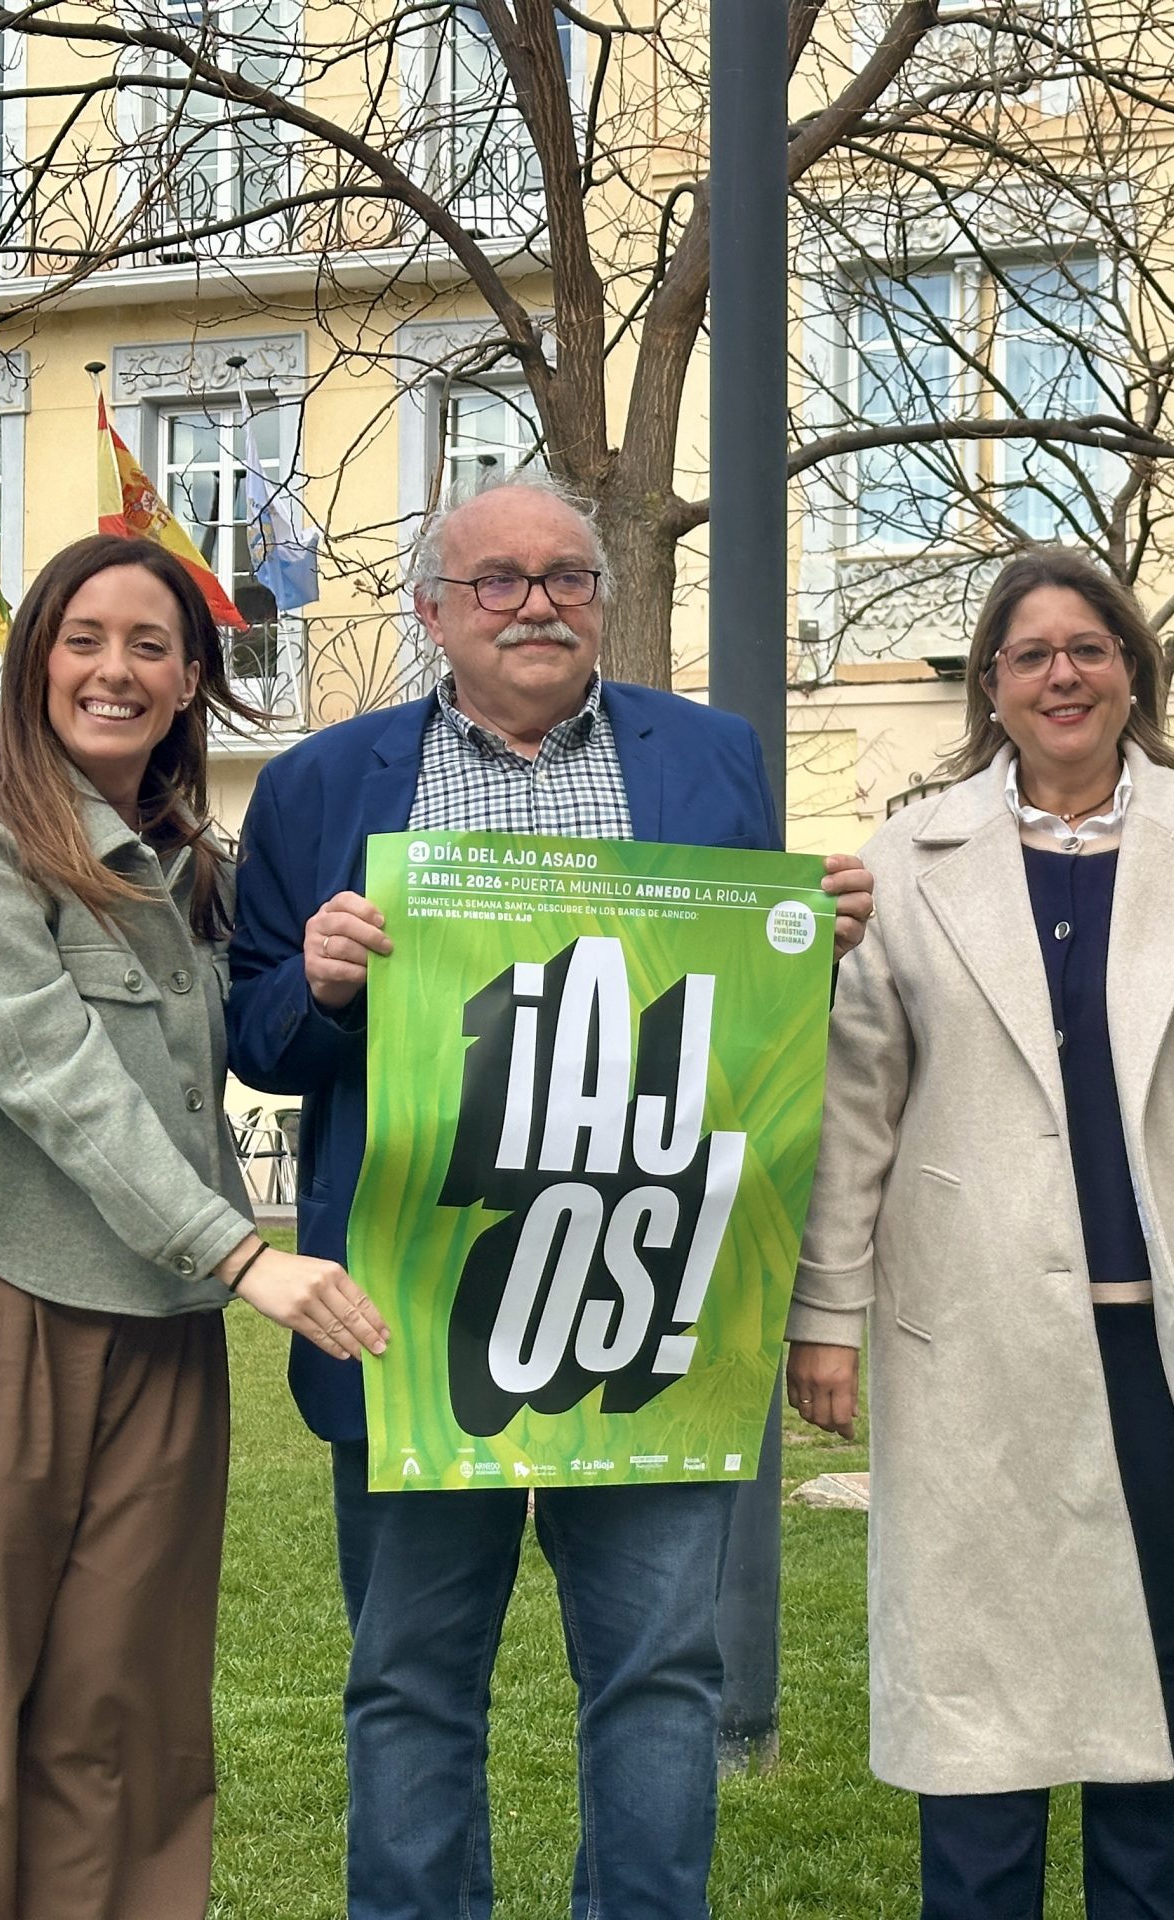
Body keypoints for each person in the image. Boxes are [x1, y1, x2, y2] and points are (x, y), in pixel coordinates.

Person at [226, 472, 874, 1920]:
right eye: (498, 581)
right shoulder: (317, 785)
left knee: (658, 1678)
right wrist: (317, 986)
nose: (536, 605)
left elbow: (745, 1025)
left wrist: (808, 946)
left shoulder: (710, 757)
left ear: (603, 598)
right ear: (431, 611)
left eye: (567, 577)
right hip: (412, 1310)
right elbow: (254, 1039)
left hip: (650, 1298)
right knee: (410, 1683)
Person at [0, 534, 387, 1920]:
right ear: (35, 661)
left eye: (150, 645)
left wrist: (332, 976)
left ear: (192, 677)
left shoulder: (188, 866)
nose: (115, 670)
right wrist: (247, 1255)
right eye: (83, 639)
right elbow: (61, 1087)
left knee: (125, 1724)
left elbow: (252, 1034)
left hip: (164, 1330)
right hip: (0, 1310)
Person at [786, 547, 1174, 1919]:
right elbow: (859, 1102)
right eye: (1030, 655)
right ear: (991, 685)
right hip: (968, 1336)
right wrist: (826, 1314)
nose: (1062, 676)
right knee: (980, 1690)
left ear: (1132, 670)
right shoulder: (907, 863)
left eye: (1089, 649)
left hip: (1167, 1334)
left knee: (1154, 1667)